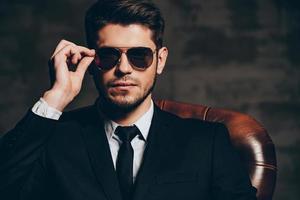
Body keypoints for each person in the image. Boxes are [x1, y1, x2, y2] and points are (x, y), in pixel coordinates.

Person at [0, 0, 257, 200]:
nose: (124, 68)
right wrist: (55, 97)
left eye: (139, 55)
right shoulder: (54, 137)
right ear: (91, 61)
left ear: (160, 60)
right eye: (109, 56)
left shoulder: (206, 142)